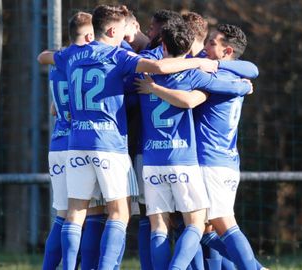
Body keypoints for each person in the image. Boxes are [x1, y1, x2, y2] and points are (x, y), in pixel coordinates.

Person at [37, 5, 219, 270]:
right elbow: (157, 66)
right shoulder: (118, 56)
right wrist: (199, 61)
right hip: (109, 145)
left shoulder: (72, 55)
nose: (128, 34)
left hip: (76, 143)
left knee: (74, 213)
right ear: (112, 30)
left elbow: (44, 57)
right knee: (119, 213)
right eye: (124, 29)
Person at [136, 24, 267, 270]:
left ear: (227, 51)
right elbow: (251, 72)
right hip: (227, 160)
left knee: (220, 224)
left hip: (208, 161)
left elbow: (190, 98)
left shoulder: (210, 77)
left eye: (212, 43)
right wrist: (243, 85)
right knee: (206, 228)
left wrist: (155, 87)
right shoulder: (232, 75)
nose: (205, 47)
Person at [41, 11, 96, 270]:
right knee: (90, 217)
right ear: (89, 35)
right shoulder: (85, 62)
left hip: (57, 143)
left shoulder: (59, 61)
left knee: (63, 216)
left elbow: (55, 108)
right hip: (80, 144)